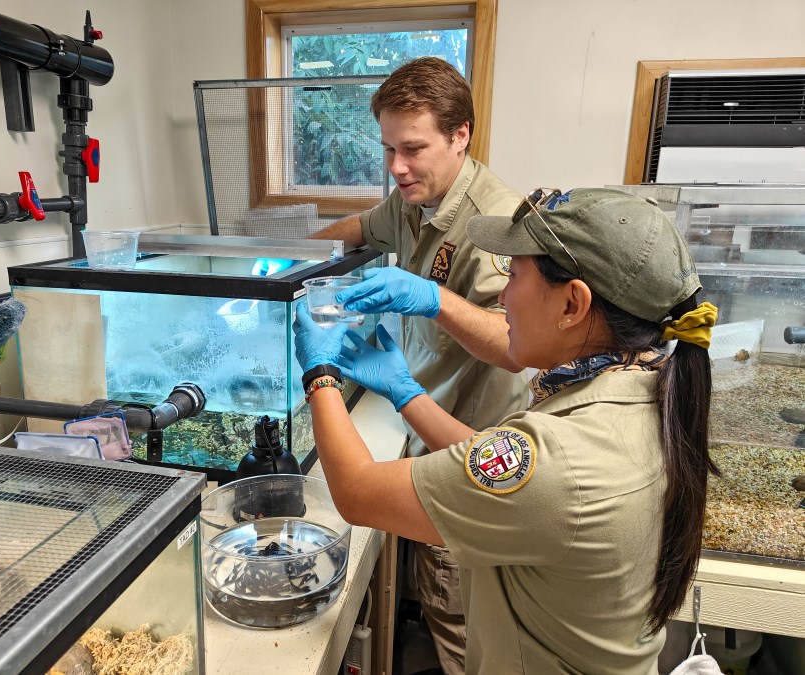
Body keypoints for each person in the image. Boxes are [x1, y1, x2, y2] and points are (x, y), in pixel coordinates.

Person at [293, 187, 720, 674]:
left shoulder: (563, 460)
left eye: (513, 276)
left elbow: (356, 493)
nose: (502, 297)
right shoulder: (639, 392)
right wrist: (407, 392)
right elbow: (496, 467)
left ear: (572, 304)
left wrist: (320, 373)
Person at [263, 57, 528, 672]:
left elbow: (515, 344)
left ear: (460, 135)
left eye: (412, 148)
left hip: (477, 442)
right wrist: (284, 260)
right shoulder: (414, 196)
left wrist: (433, 300)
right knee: (435, 597)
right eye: (387, 148)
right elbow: (362, 229)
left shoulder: (494, 221)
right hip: (423, 419)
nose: (396, 167)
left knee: (460, 617)